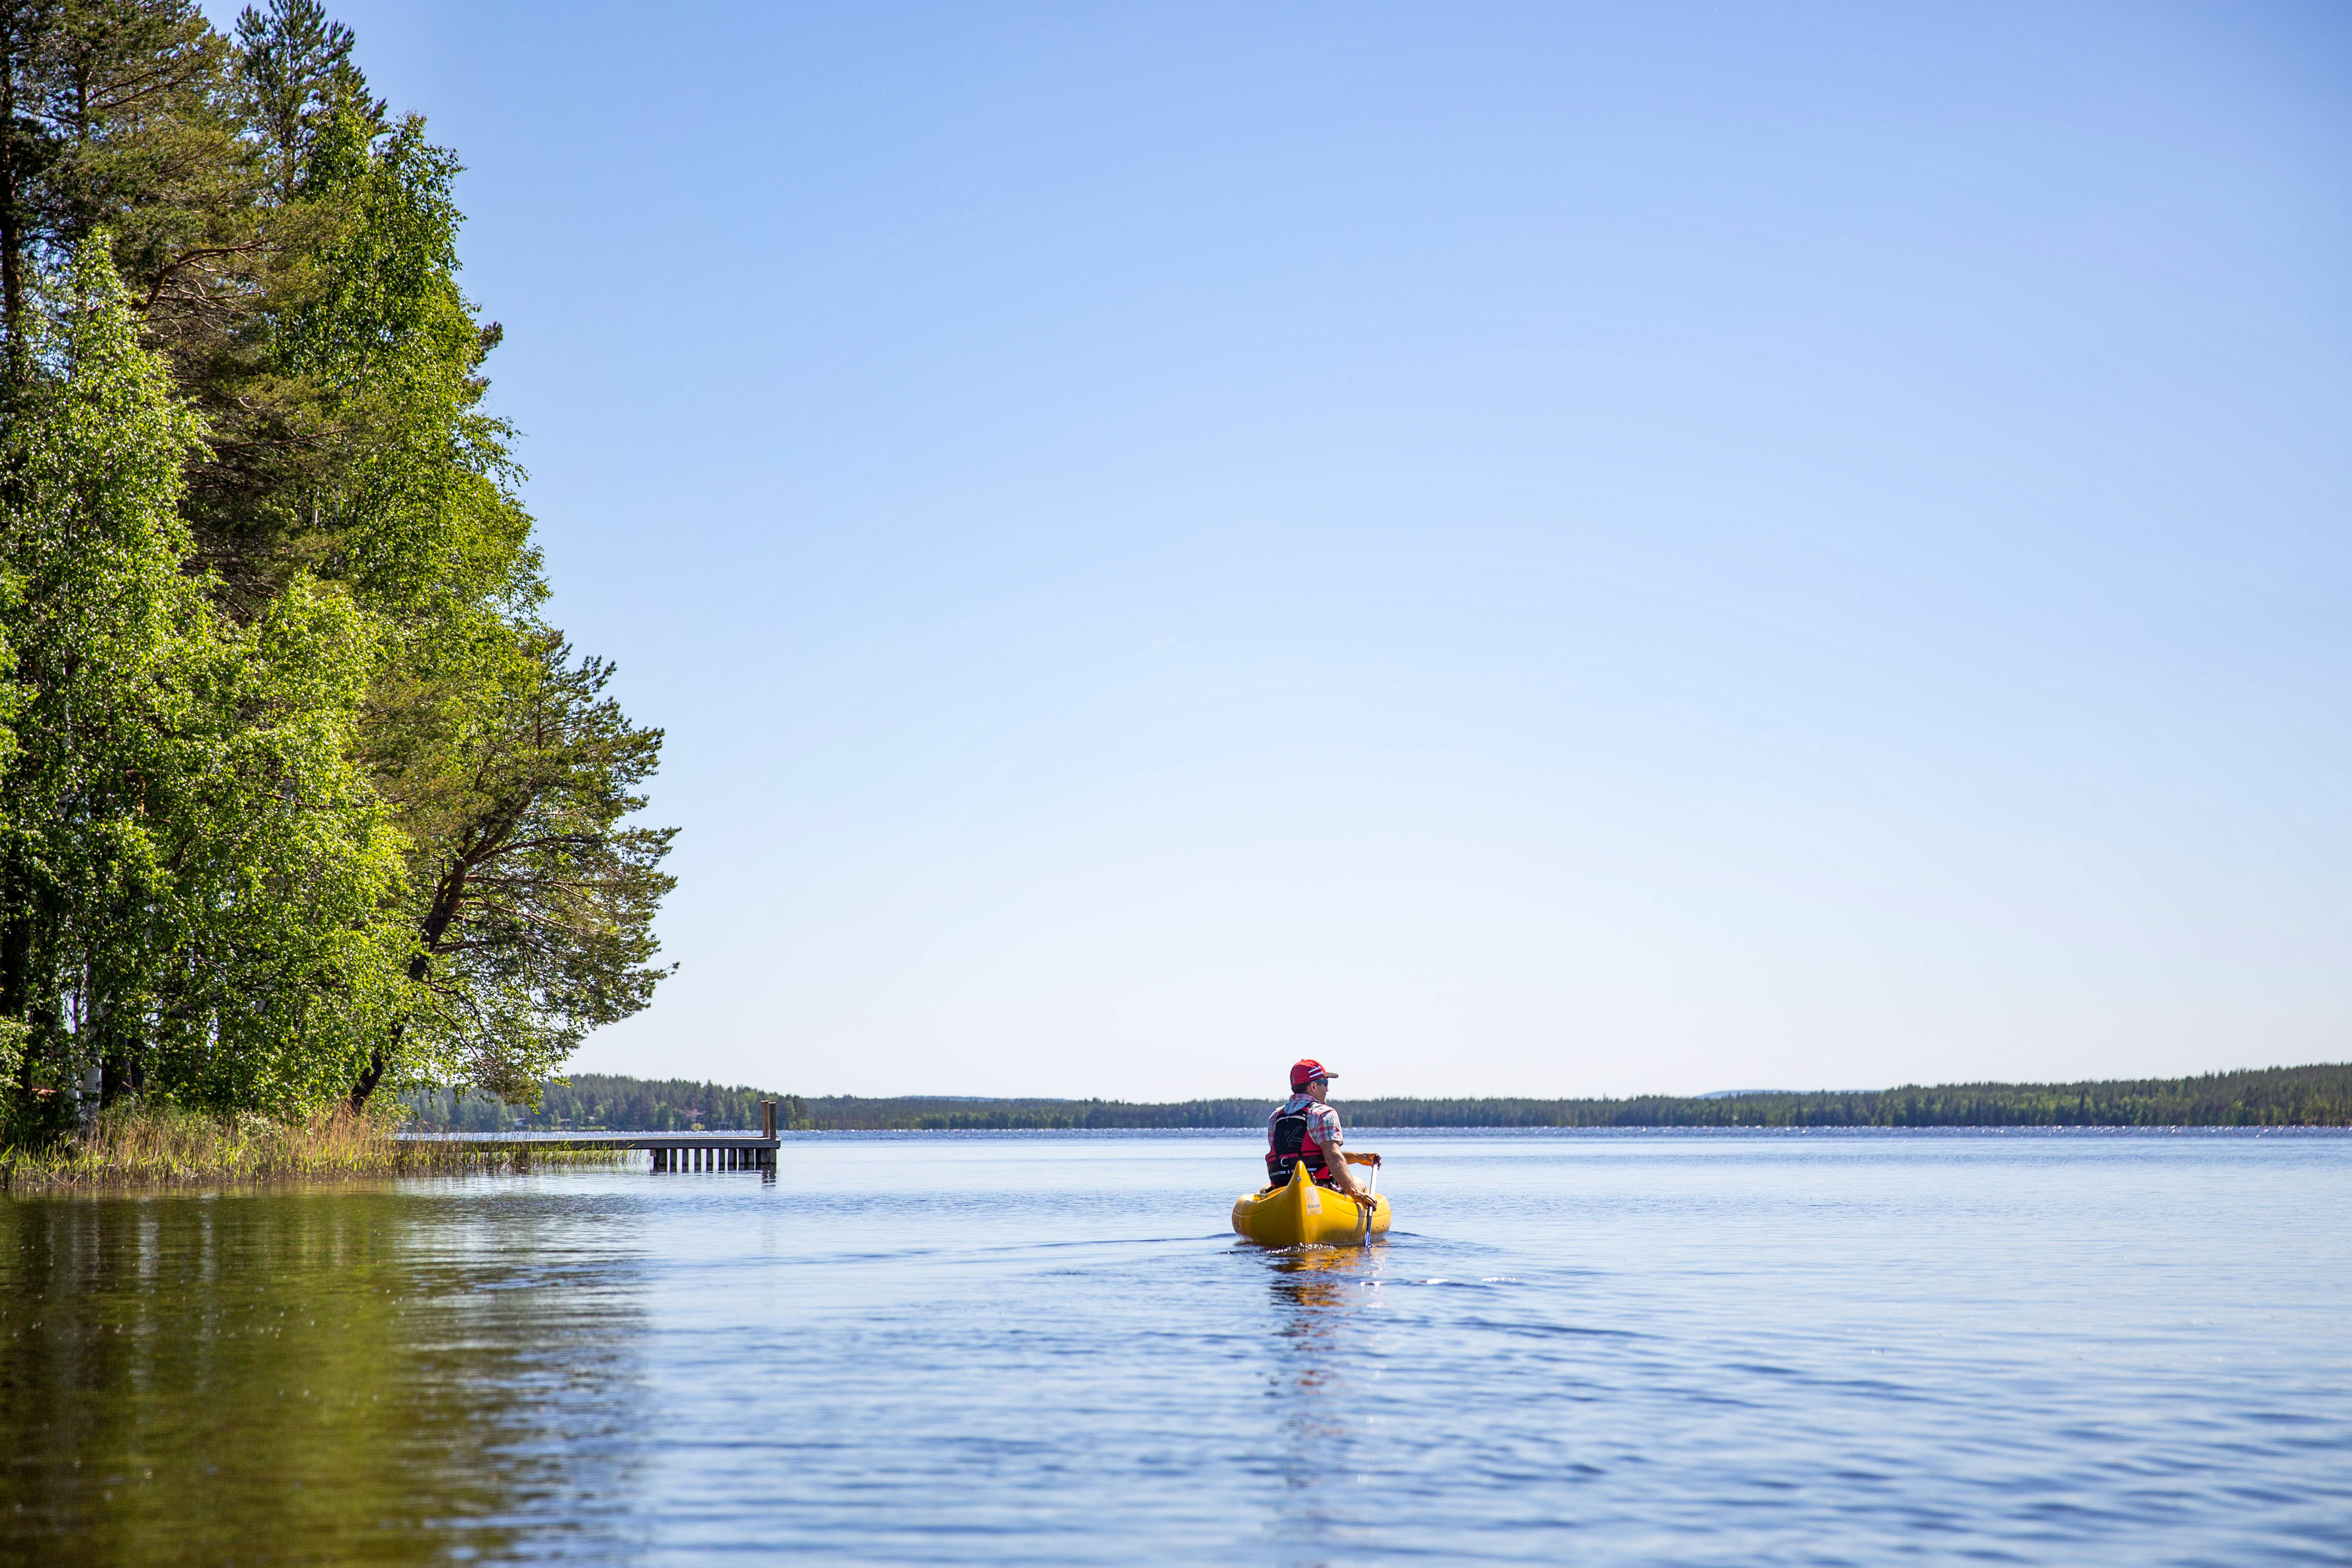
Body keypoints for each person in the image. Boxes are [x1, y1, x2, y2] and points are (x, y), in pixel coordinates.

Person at [1266, 1058, 1377, 1206]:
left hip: (1283, 1190)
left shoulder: (1275, 1117)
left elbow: (1304, 1156)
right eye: (1325, 1083)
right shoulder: (1323, 1113)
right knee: (1359, 1182)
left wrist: (1358, 1158)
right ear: (1313, 1086)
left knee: (1265, 1188)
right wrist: (1355, 1192)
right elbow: (1333, 1157)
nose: (1328, 1089)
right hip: (1319, 1193)